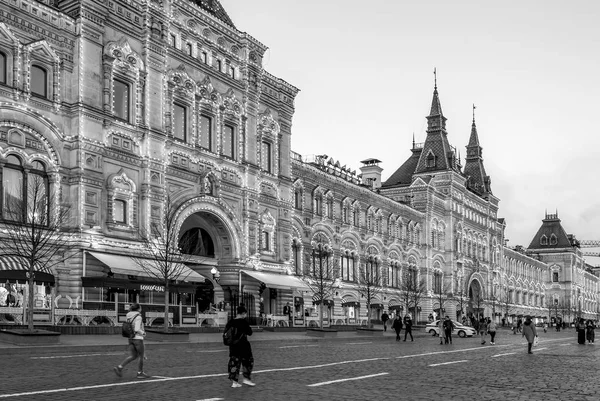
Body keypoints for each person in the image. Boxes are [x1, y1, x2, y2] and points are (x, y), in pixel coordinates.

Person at [113, 303, 150, 379]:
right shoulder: (138, 316)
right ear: (138, 308)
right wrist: (143, 333)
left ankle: (120, 367)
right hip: (138, 338)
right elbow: (137, 329)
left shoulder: (128, 315)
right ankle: (140, 372)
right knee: (141, 356)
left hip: (130, 338)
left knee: (133, 356)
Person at [226, 304, 255, 388]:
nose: (245, 315)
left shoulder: (230, 322)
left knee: (234, 364)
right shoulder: (243, 322)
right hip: (244, 346)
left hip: (233, 346)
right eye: (245, 314)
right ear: (242, 313)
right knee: (247, 362)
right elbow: (250, 332)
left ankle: (234, 382)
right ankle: (246, 379)